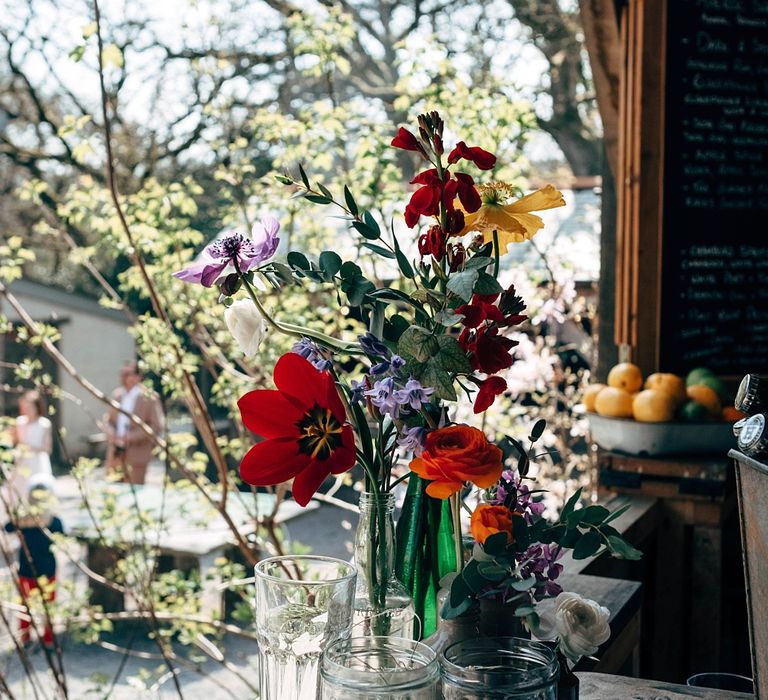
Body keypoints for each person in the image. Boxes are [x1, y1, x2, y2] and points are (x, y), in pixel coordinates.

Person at [4, 475, 63, 647]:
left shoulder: (22, 520)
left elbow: (7, 527)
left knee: (25, 607)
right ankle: (48, 639)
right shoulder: (54, 521)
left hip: (27, 569)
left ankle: (25, 637)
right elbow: (62, 537)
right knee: (48, 608)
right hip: (48, 570)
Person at [105, 361, 164, 485]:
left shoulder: (149, 397)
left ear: (138, 376)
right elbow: (109, 419)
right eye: (123, 374)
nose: (125, 377)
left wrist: (129, 437)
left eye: (128, 374)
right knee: (113, 491)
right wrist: (110, 431)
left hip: (137, 454)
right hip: (116, 452)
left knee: (134, 493)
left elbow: (156, 426)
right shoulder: (118, 395)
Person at [7, 390, 53, 511]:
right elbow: (13, 442)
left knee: (37, 494)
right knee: (18, 493)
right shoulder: (19, 422)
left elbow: (47, 448)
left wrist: (31, 448)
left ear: (37, 407)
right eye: (25, 406)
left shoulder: (44, 424)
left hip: (37, 464)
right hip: (22, 463)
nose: (27, 409)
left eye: (30, 406)